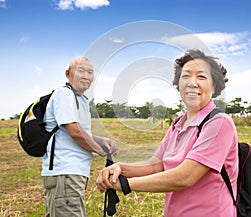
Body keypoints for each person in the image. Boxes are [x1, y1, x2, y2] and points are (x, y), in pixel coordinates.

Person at [96, 49, 238, 217]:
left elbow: (185, 177)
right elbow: (157, 165)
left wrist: (126, 184)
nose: (192, 83)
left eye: (201, 77)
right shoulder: (178, 123)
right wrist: (120, 168)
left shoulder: (219, 123)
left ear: (215, 86)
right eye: (185, 76)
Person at [42, 57, 118, 217]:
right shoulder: (64, 94)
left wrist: (101, 141)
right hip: (65, 172)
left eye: (90, 72)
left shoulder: (81, 100)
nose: (85, 76)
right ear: (68, 74)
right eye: (80, 71)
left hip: (72, 173)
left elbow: (81, 131)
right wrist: (99, 150)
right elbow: (75, 132)